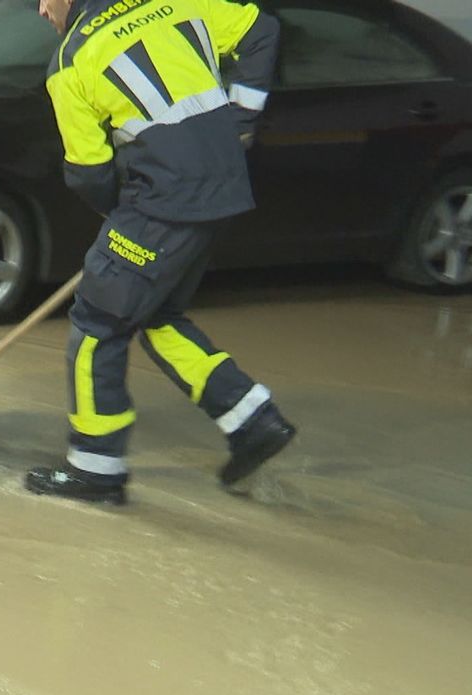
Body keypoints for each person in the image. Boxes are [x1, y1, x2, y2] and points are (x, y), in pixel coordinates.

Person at [26, 0, 294, 504]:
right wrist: (242, 118)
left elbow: (87, 171)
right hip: (225, 189)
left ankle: (95, 470)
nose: (41, 11)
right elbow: (263, 30)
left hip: (164, 204)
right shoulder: (172, 4)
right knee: (157, 313)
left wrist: (120, 218)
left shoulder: (71, 62)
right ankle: (252, 419)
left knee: (95, 324)